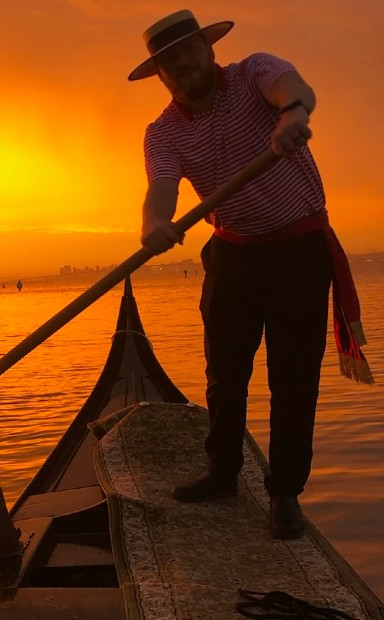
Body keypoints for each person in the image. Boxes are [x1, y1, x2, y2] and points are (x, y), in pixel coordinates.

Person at [128, 10, 371, 540]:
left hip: (298, 252)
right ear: (161, 75)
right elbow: (162, 188)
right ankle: (222, 471)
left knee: (293, 376)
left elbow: (294, 88)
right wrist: (154, 224)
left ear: (208, 49)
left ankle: (284, 491)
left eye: (190, 49)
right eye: (171, 60)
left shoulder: (255, 73)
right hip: (233, 255)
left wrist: (293, 114)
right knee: (224, 372)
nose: (184, 63)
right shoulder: (162, 132)